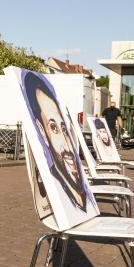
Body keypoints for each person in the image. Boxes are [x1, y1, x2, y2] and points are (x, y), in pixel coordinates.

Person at [24, 72, 92, 212]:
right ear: (42, 131)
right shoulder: (52, 185)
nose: (67, 145)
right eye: (53, 128)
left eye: (64, 129)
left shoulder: (86, 196)